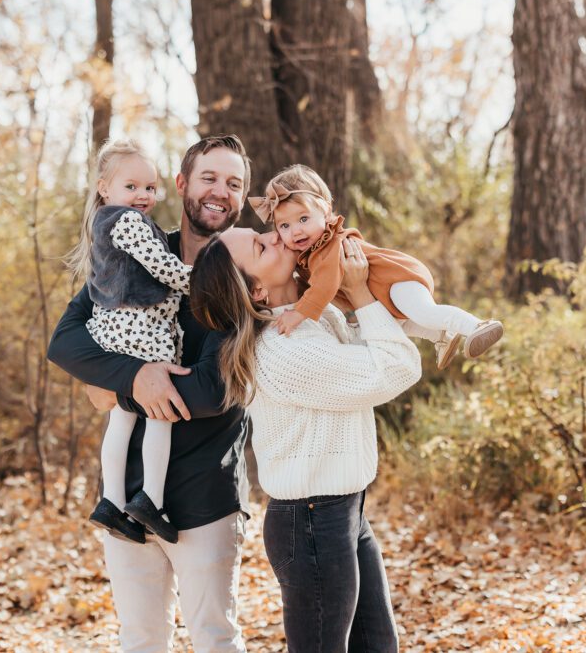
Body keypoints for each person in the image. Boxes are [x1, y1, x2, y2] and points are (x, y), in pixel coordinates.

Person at [48, 134, 251, 653]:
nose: (219, 192)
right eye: (209, 178)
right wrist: (133, 379)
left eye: (234, 183)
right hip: (124, 496)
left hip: (206, 496)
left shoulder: (246, 275)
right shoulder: (135, 247)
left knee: (215, 639)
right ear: (181, 185)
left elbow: (213, 390)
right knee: (139, 640)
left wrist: (117, 389)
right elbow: (68, 340)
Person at [189, 227, 422, 652]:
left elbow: (378, 343)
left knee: (379, 646)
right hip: (313, 523)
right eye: (262, 247)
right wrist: (362, 296)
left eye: (263, 232)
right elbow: (397, 367)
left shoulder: (312, 317)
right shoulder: (284, 348)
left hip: (345, 511)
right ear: (256, 290)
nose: (277, 236)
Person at [249, 164, 503, 369]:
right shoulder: (309, 255)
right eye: (285, 226)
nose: (296, 231)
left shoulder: (330, 245)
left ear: (326, 212)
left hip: (397, 279)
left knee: (423, 312)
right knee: (402, 324)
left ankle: (476, 326)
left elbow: (324, 285)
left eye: (303, 219)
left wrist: (298, 313)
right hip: (383, 296)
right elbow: (309, 286)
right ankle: (441, 337)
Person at [63, 139, 191, 545]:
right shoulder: (128, 223)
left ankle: (111, 501)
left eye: (150, 188)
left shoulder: (102, 221)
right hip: (139, 328)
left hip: (112, 329)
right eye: (132, 186)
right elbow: (164, 268)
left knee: (122, 418)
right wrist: (204, 279)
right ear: (105, 187)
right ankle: (151, 500)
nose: (143, 196)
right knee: (160, 413)